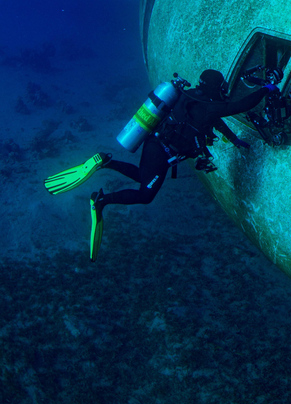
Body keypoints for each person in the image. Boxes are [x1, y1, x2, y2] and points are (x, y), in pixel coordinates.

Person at [44, 69, 278, 261]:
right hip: (164, 151)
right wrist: (267, 88)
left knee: (143, 177)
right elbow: (242, 105)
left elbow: (212, 121)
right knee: (146, 194)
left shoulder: (189, 96)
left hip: (155, 144)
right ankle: (101, 201)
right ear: (216, 88)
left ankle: (106, 162)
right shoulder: (210, 105)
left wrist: (234, 139)